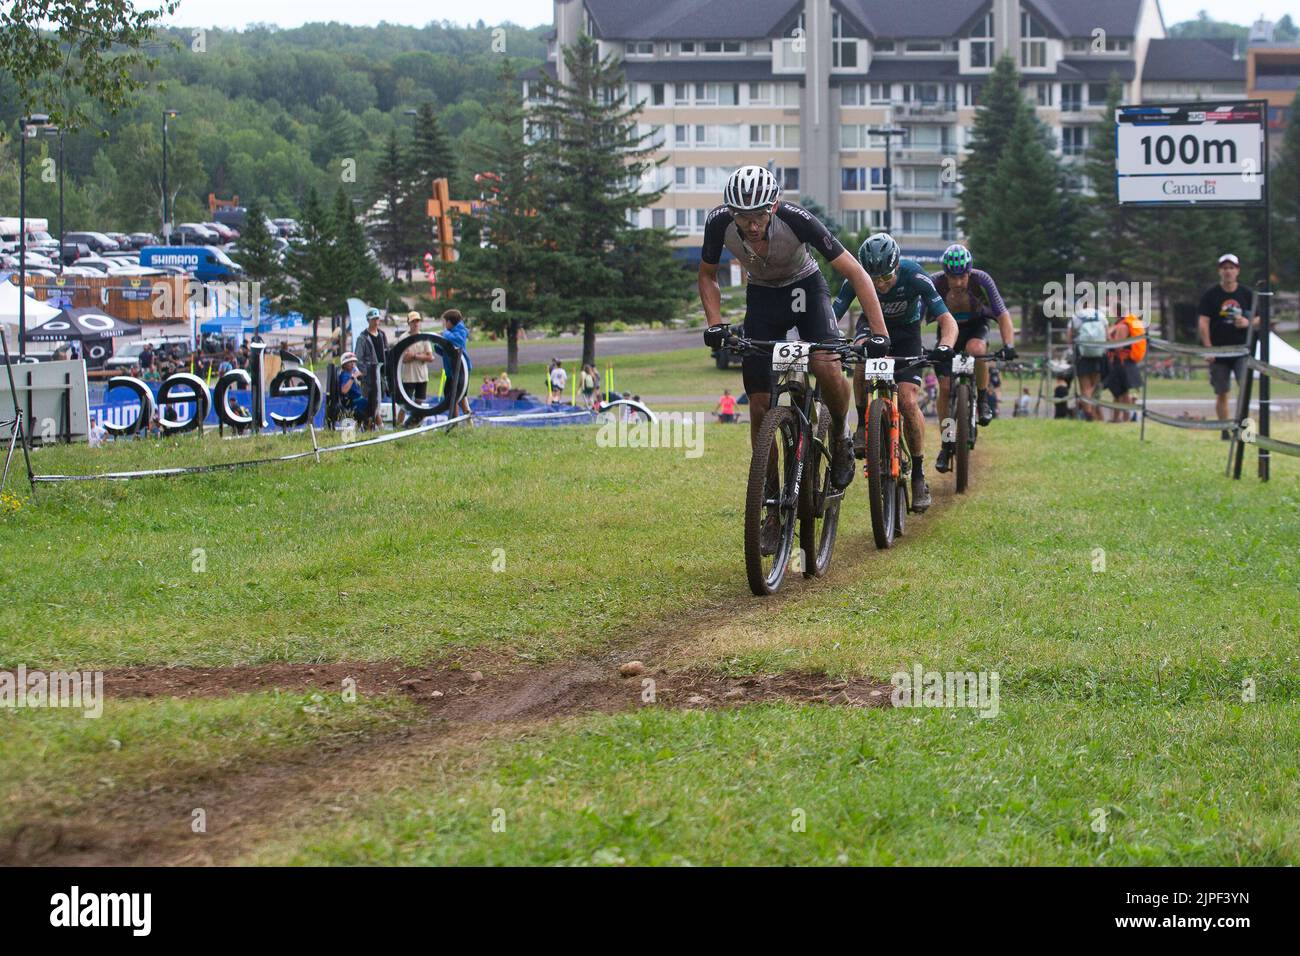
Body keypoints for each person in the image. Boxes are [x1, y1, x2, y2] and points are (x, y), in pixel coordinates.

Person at [701, 165, 885, 554]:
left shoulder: (798, 220)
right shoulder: (718, 223)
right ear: (730, 212)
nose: (750, 226)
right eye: (742, 217)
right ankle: (769, 505)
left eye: (758, 216)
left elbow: (855, 272)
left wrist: (880, 332)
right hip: (763, 297)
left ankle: (838, 431)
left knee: (825, 363)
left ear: (774, 206)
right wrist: (715, 323)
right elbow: (708, 275)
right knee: (759, 406)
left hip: (805, 288)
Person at [832, 233, 957, 511]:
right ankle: (864, 427)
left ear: (898, 266)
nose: (879, 284)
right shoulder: (856, 275)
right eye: (872, 278)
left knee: (909, 400)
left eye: (886, 277)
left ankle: (919, 473)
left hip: (906, 335)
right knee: (860, 358)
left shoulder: (914, 275)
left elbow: (947, 319)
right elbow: (834, 312)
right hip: (872, 329)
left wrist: (945, 346)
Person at [929, 244, 1017, 451]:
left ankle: (983, 399)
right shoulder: (934, 283)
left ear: (970, 272)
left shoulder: (982, 280)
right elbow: (916, 316)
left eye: (963, 276)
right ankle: (947, 440)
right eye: (953, 277)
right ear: (945, 274)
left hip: (976, 327)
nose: (958, 282)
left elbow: (1003, 315)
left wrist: (1009, 345)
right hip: (948, 332)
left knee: (977, 349)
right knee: (944, 387)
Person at [1197, 253, 1258, 439]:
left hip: (1242, 350)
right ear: (1219, 271)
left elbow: (1261, 317)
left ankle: (1244, 428)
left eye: (1231, 268)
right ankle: (1225, 429)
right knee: (1222, 391)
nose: (1228, 271)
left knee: (1245, 389)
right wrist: (1208, 347)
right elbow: (1203, 322)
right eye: (1224, 268)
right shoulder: (1211, 294)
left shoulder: (1247, 293)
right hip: (1219, 351)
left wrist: (1248, 322)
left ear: (1237, 271)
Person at [1067, 307, 1110, 422]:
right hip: (1098, 355)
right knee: (1094, 385)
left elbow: (1070, 338)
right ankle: (1092, 412)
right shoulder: (1101, 315)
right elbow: (1108, 337)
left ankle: (1088, 413)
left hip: (1082, 355)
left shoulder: (1076, 317)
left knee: (1084, 387)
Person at [397, 311, 435, 427]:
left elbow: (430, 357)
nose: (416, 323)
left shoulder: (424, 338)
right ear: (409, 323)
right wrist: (421, 356)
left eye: (418, 321)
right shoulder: (403, 338)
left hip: (422, 376)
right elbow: (403, 358)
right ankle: (398, 425)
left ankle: (414, 425)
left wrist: (414, 355)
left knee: (419, 402)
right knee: (405, 404)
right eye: (413, 321)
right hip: (408, 376)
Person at [1105, 312, 1146, 422]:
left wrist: (1108, 338)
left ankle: (1125, 418)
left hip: (1122, 362)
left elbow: (1118, 347)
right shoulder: (1124, 324)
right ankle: (1117, 418)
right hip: (1125, 363)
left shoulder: (1123, 326)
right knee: (1118, 392)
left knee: (1122, 393)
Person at [354, 307, 388, 428]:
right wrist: (363, 372)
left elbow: (386, 353)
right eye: (373, 319)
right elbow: (358, 358)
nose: (376, 321)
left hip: (380, 374)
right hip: (368, 376)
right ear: (368, 320)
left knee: (378, 401)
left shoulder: (382, 335)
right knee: (370, 402)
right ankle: (377, 428)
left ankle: (373, 427)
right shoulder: (362, 338)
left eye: (377, 318)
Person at [435, 308, 473, 418]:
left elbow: (459, 341)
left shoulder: (461, 331)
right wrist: (437, 343)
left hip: (461, 370)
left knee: (454, 397)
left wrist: (444, 333)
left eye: (445, 322)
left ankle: (453, 421)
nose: (444, 325)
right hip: (451, 370)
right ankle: (467, 419)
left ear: (450, 322)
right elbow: (444, 351)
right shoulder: (450, 333)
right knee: (458, 397)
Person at [337, 351, 370, 423]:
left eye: (354, 362)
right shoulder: (345, 375)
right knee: (372, 405)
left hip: (360, 401)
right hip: (355, 403)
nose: (353, 364)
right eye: (350, 362)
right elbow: (344, 390)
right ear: (344, 364)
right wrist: (352, 378)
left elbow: (361, 376)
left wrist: (359, 375)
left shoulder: (352, 371)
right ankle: (380, 427)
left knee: (373, 403)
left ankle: (376, 427)